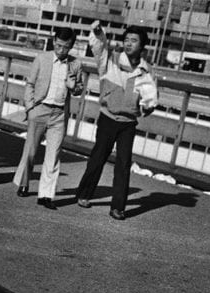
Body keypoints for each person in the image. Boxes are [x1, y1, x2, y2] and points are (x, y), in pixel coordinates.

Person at [74, 22, 158, 220]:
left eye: (134, 41)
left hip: (128, 123)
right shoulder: (111, 60)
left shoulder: (146, 70)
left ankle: (118, 207)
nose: (129, 44)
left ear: (142, 45)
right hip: (108, 117)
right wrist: (97, 32)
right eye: (126, 40)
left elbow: (151, 98)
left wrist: (148, 105)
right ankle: (84, 194)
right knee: (98, 158)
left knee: (123, 164)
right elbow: (98, 47)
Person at [12, 27, 85, 209]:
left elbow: (79, 90)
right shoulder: (42, 59)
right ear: (54, 41)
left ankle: (46, 195)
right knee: (30, 151)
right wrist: (30, 108)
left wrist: (73, 85)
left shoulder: (75, 64)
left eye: (66, 47)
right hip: (40, 109)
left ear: (71, 47)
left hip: (59, 114)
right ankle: (24, 183)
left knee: (53, 155)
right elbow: (29, 84)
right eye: (59, 45)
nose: (61, 50)